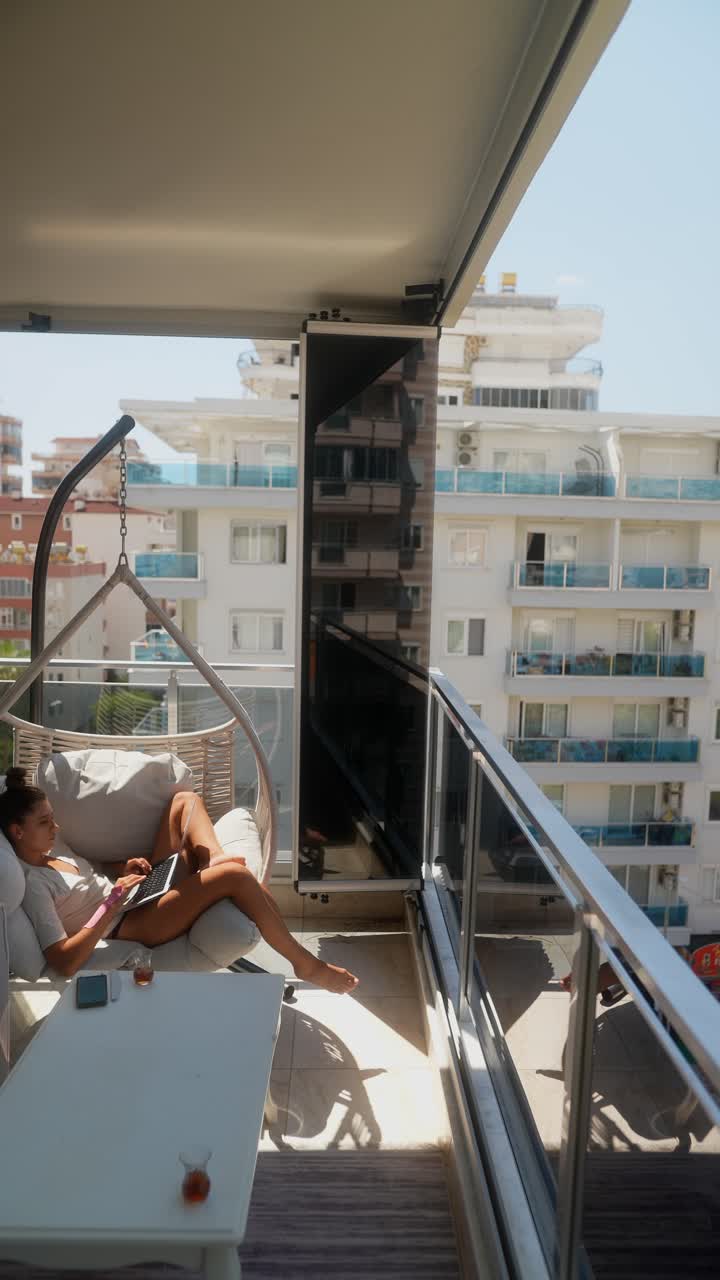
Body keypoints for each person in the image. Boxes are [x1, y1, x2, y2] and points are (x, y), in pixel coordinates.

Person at [1, 768, 358, 994]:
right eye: (45, 822)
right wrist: (112, 902)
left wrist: (122, 867)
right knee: (235, 875)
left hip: (135, 897)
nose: (56, 826)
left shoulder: (54, 849)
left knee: (184, 802)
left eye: (52, 818)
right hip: (129, 924)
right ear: (17, 831)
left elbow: (90, 876)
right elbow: (63, 961)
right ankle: (305, 964)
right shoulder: (32, 886)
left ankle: (212, 858)